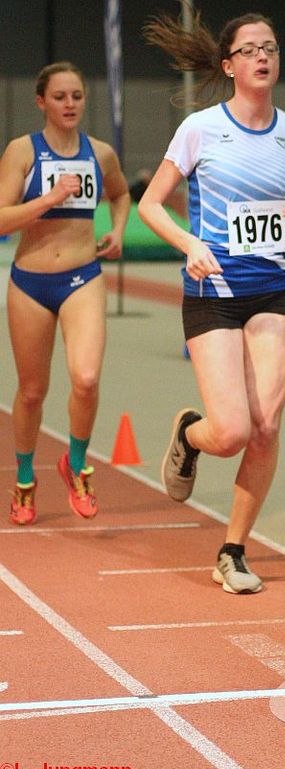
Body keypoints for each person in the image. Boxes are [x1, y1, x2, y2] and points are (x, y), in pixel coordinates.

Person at [138, 8, 285, 594]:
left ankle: (233, 550)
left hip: (272, 289)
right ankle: (189, 434)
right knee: (231, 432)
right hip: (213, 290)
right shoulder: (200, 129)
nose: (263, 56)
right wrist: (190, 243)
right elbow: (150, 204)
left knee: (266, 427)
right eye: (250, 49)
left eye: (270, 47)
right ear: (228, 66)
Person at [0, 61, 130, 525]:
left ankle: (75, 464)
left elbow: (121, 194)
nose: (70, 104)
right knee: (32, 392)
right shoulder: (22, 151)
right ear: (41, 102)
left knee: (87, 378)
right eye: (60, 97)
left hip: (83, 277)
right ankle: (24, 480)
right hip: (31, 283)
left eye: (77, 96)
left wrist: (118, 229)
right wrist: (48, 200)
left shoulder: (101, 153)